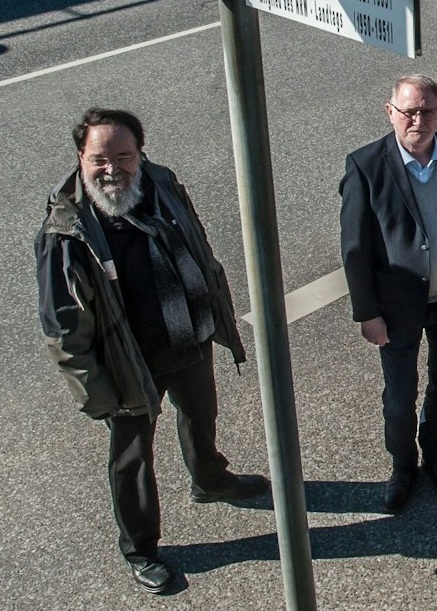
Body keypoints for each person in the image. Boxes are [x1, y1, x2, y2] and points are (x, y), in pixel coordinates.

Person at [36, 108, 269, 596]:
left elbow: (197, 244)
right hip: (127, 364)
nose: (113, 170)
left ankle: (209, 477)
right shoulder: (66, 231)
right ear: (80, 157)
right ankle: (140, 548)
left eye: (124, 157)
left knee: (201, 414)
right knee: (132, 458)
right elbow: (63, 327)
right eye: (100, 159)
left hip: (187, 337)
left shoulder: (160, 183)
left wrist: (213, 311)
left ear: (141, 154)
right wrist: (95, 392)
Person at [340, 76, 437, 514]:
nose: (419, 120)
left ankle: (436, 459)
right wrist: (367, 314)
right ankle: (402, 467)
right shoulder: (365, 165)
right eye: (409, 111)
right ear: (389, 111)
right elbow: (354, 249)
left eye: (428, 111)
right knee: (398, 397)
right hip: (396, 311)